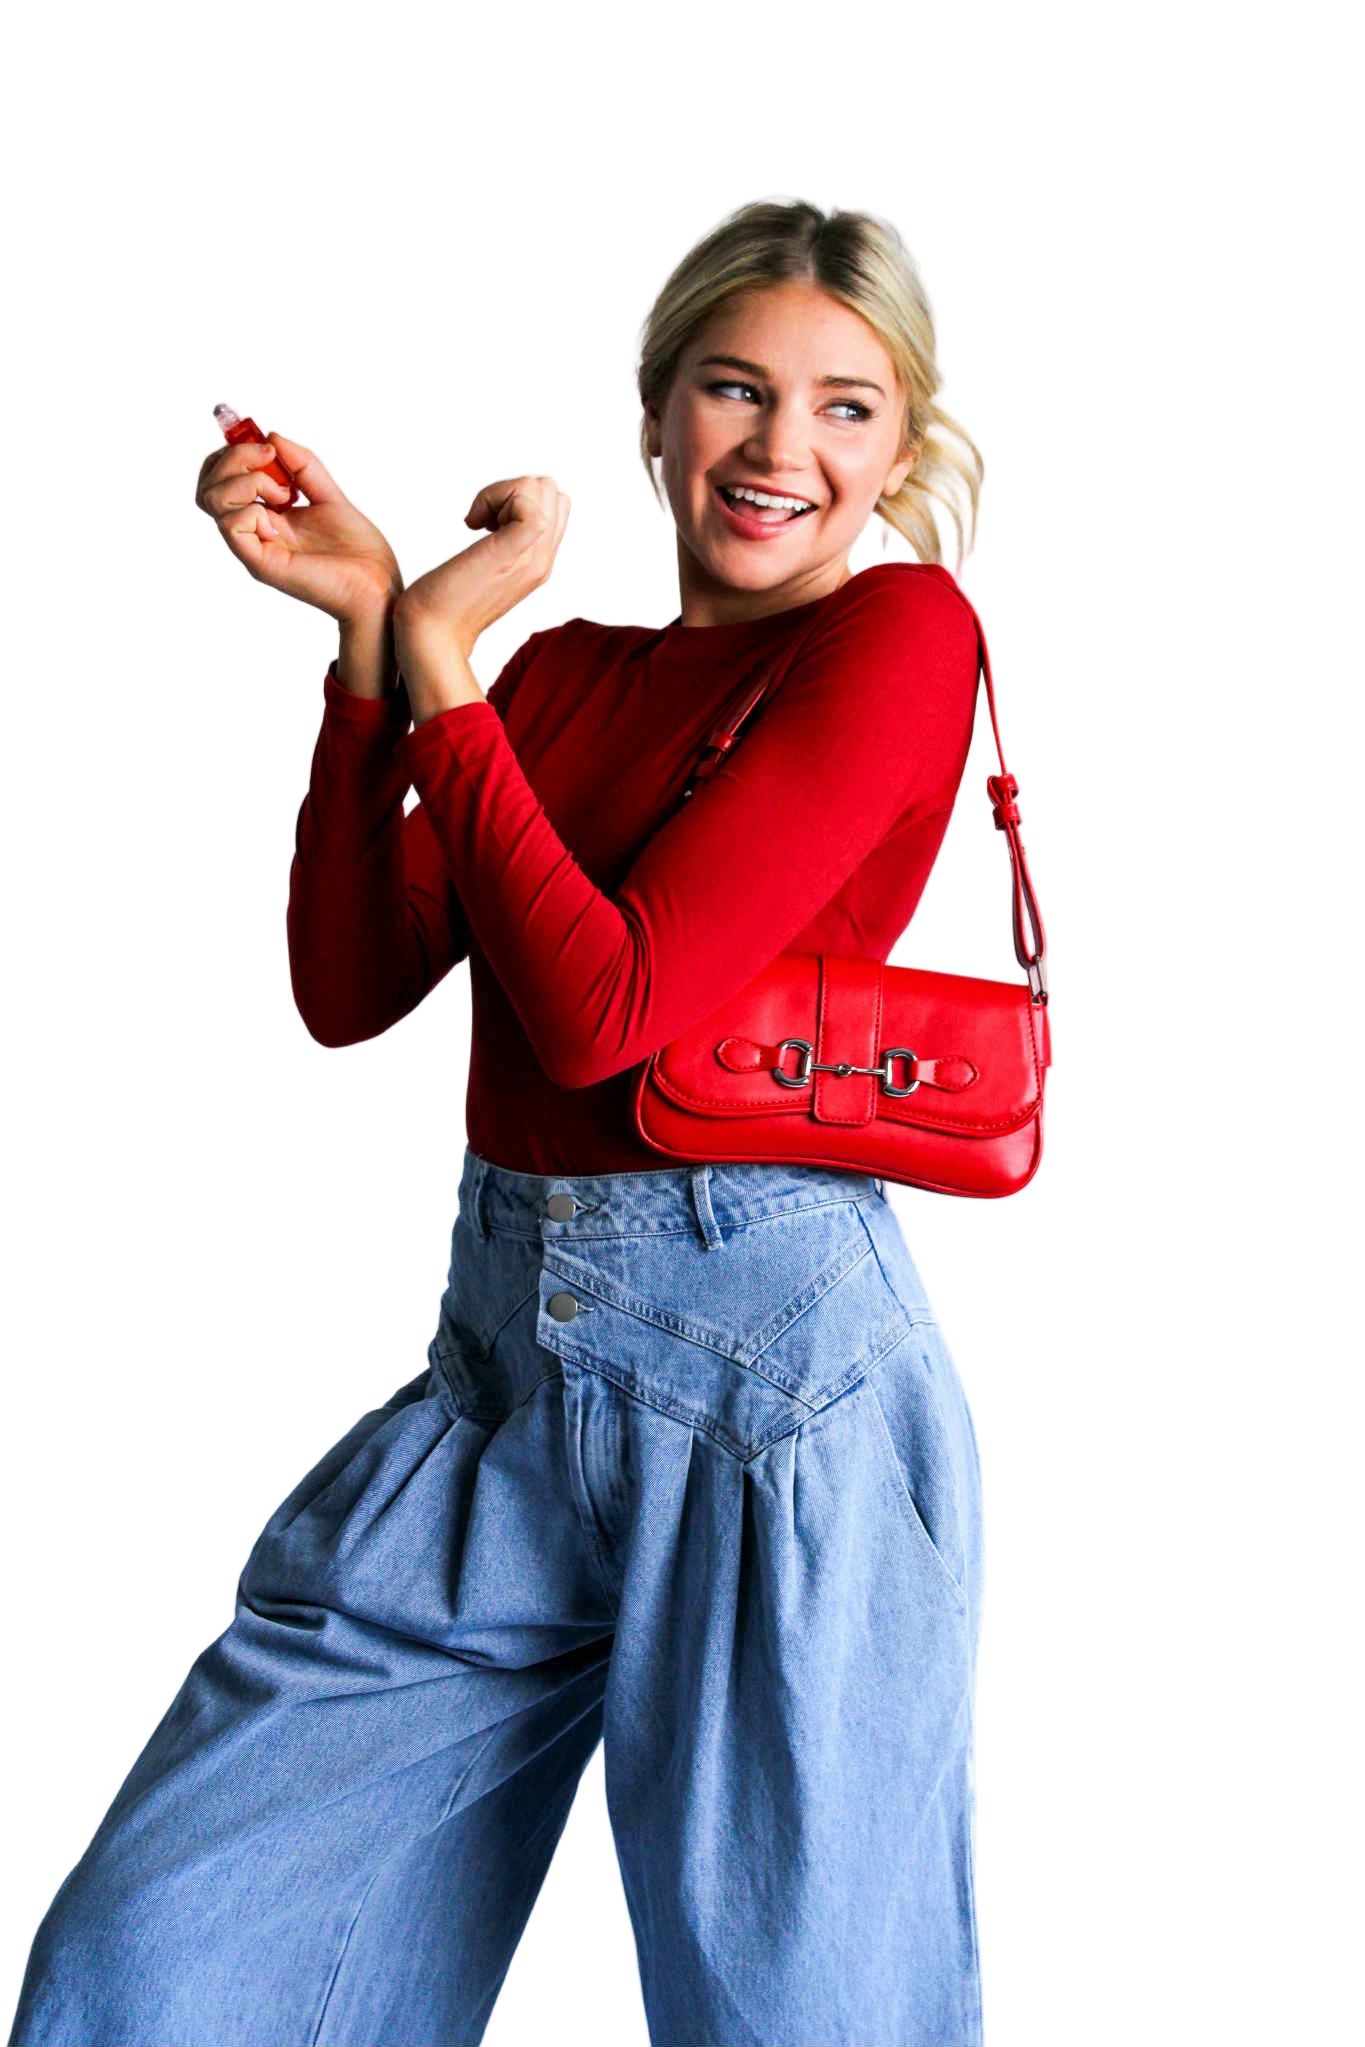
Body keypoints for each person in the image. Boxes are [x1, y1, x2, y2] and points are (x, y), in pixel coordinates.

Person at [8, 198, 991, 2047]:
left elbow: (609, 1011)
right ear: (657, 411)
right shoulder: (559, 679)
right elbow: (348, 981)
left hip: (769, 1397)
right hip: (499, 1383)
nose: (780, 447)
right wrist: (374, 646)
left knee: (794, 2012)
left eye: (844, 408)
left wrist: (448, 661)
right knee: (156, 1970)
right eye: (735, 389)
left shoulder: (897, 637)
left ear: (896, 451)